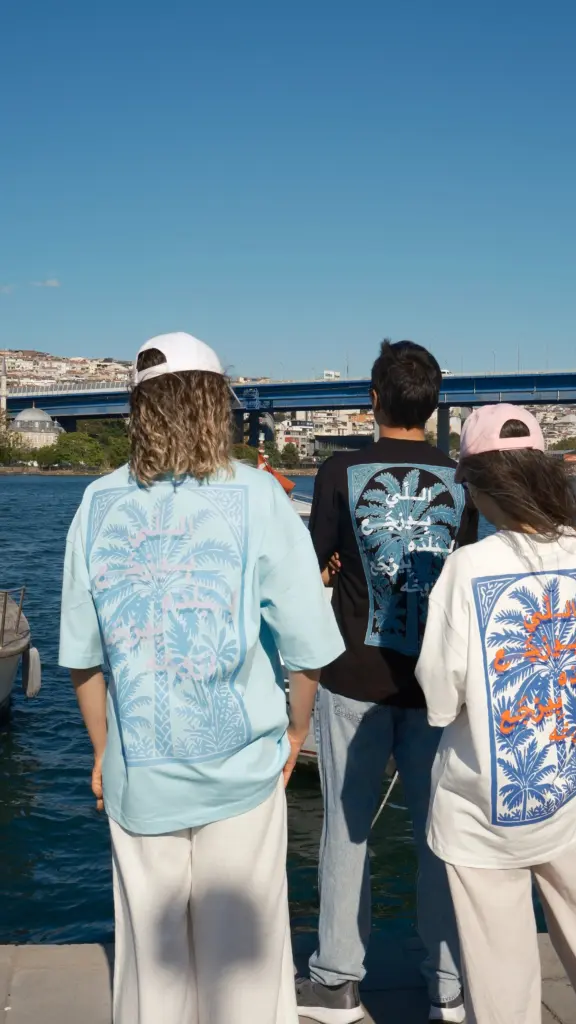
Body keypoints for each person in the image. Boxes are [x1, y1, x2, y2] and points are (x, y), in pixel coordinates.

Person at [59, 333, 344, 1024]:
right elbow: (306, 645)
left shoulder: (97, 502)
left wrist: (102, 750)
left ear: (138, 409)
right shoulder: (258, 495)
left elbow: (83, 658)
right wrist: (296, 730)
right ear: (217, 403)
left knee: (152, 975)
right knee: (246, 973)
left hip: (139, 774)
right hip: (241, 769)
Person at [416, 404, 576, 1024]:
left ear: (481, 485)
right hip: (569, 790)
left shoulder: (467, 567)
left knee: (501, 978)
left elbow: (440, 696)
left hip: (483, 809)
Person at [296, 340, 478, 1024]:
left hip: (352, 680)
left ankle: (338, 982)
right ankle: (447, 988)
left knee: (345, 835)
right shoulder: (462, 479)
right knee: (440, 838)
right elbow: (462, 576)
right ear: (432, 406)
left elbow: (311, 567)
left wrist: (334, 565)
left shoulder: (338, 471)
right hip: (435, 686)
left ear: (372, 399)